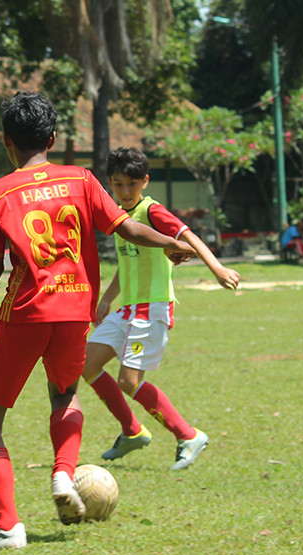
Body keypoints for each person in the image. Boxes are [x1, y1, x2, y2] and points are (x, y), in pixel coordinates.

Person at [0, 92, 196, 549]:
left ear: (7, 141)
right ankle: (64, 474)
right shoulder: (81, 179)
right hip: (75, 311)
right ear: (54, 138)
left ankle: (7, 527)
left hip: (24, 313)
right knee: (64, 393)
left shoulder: (0, 191)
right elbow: (126, 227)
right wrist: (171, 242)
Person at [82, 147, 240, 470]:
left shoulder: (152, 211)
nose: (125, 192)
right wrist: (107, 299)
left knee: (128, 380)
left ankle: (188, 435)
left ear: (145, 182)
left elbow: (189, 236)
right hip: (127, 310)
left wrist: (218, 269)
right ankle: (132, 431)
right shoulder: (120, 218)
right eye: (117, 184)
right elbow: (129, 265)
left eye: (131, 184)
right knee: (85, 366)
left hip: (151, 310)